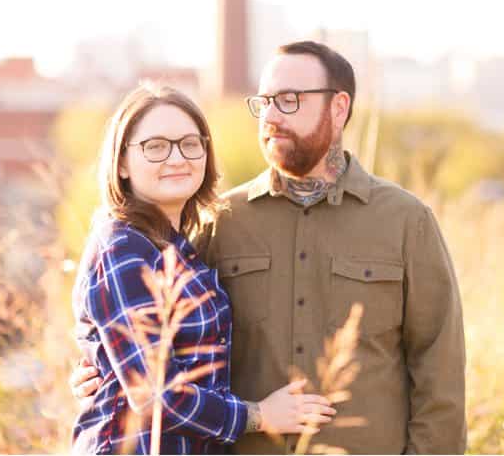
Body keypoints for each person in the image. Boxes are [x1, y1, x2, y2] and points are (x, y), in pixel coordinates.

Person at [73, 42, 467, 454]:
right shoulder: (220, 221)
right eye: (264, 102)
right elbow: (148, 346)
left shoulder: (407, 221)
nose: (272, 116)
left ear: (338, 107)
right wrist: (97, 370)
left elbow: (440, 371)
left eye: (289, 100)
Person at [71, 84, 336, 454]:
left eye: (190, 143)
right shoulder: (123, 249)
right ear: (121, 162)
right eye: (156, 146)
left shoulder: (176, 246)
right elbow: (154, 395)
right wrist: (258, 415)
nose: (177, 157)